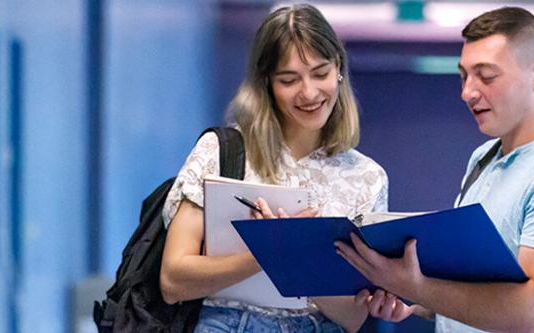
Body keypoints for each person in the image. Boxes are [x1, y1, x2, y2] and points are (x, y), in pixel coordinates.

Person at [335, 7, 534, 333]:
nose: (467, 92)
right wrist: (412, 299)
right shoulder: (485, 157)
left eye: (486, 76)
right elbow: (472, 286)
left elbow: (531, 315)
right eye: (464, 76)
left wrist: (417, 288)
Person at [159, 4, 388, 333]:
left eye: (320, 73)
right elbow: (173, 281)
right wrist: (266, 253)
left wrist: (295, 260)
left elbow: (353, 318)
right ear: (267, 84)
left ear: (339, 68)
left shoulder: (367, 177)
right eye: (289, 80)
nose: (309, 92)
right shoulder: (222, 151)